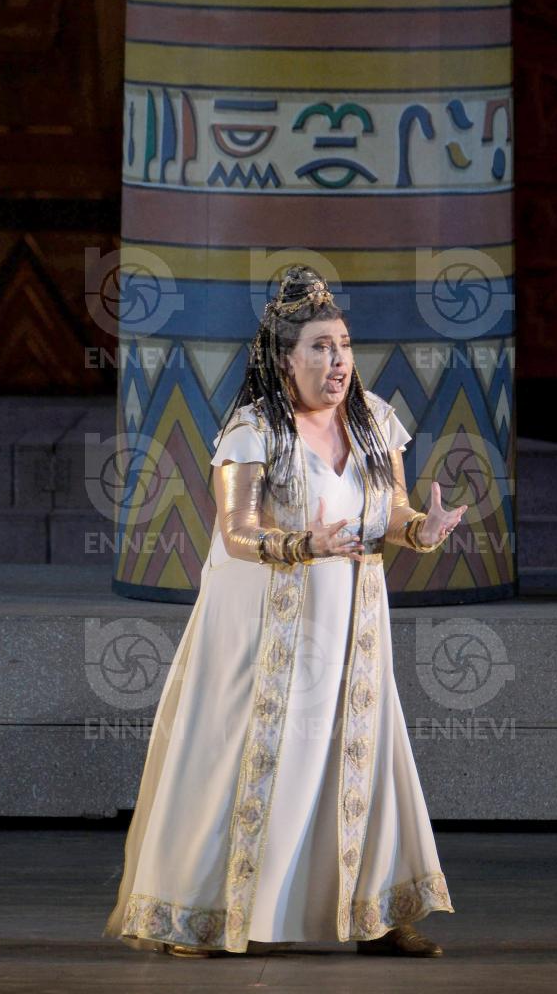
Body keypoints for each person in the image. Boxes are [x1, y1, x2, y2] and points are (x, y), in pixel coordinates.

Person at [102, 264, 467, 959]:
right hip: (268, 630)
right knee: (249, 759)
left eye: (345, 345)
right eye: (321, 348)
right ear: (284, 360)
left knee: (360, 757)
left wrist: (423, 528)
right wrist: (305, 544)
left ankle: (373, 915)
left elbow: (390, 512)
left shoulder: (373, 420)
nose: (339, 361)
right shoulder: (254, 430)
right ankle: (208, 916)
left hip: (353, 630)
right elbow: (236, 532)